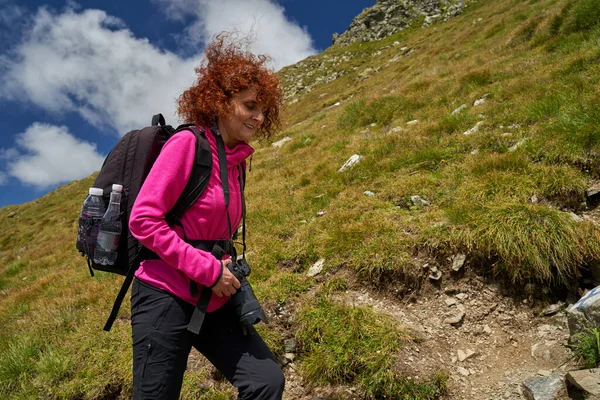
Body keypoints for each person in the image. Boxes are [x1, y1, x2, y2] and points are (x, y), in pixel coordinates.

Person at [128, 33, 284, 399]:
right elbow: (143, 220)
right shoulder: (188, 144)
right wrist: (208, 269)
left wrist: (221, 268)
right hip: (164, 293)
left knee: (265, 381)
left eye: (263, 110)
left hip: (213, 295)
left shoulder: (236, 162)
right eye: (249, 106)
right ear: (221, 102)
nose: (259, 117)